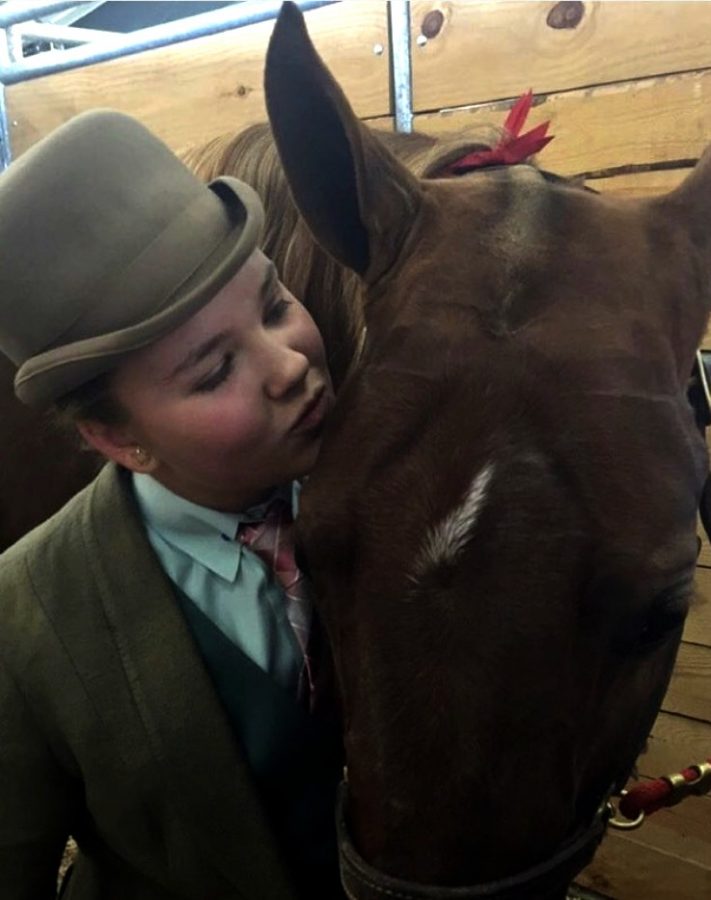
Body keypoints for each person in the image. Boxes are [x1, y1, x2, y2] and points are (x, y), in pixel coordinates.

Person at [0, 109, 344, 900]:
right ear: (121, 441)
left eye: (273, 304)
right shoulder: (24, 624)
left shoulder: (394, 484)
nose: (289, 364)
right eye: (214, 371)